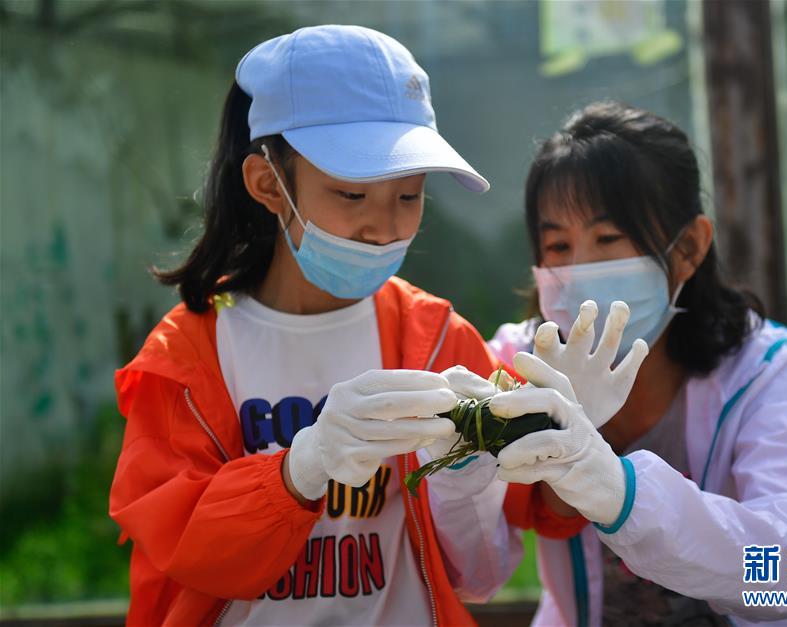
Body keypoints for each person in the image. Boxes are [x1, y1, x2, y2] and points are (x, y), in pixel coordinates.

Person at [109, 25, 519, 626]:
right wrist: (300, 469)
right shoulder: (188, 353)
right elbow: (179, 547)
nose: (384, 227)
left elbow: (481, 574)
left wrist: (471, 475)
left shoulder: (438, 341)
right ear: (268, 183)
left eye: (408, 195)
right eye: (352, 195)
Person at [488, 101, 787, 626]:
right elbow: (473, 562)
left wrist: (623, 496)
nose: (578, 271)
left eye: (609, 239)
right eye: (557, 245)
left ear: (690, 249)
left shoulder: (765, 369)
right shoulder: (517, 366)